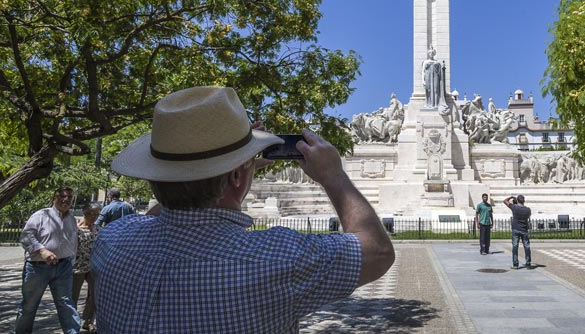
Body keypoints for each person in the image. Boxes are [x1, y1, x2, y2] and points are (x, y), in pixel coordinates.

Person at [91, 86, 395, 333]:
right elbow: (377, 251)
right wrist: (333, 176)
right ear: (236, 177)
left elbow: (170, 206)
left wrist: (234, 165)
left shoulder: (113, 240)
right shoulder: (276, 259)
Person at [15, 187, 81, 334]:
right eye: (62, 196)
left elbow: (73, 242)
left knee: (66, 304)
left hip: (64, 267)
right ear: (54, 198)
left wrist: (71, 261)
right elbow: (26, 237)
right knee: (29, 306)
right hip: (38, 267)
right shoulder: (41, 215)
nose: (66, 199)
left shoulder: (71, 218)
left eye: (69, 197)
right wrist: (42, 250)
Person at [73, 203, 101, 333]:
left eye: (97, 214)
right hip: (77, 267)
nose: (95, 217)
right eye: (92, 214)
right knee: (73, 295)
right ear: (85, 214)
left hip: (93, 267)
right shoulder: (75, 229)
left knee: (94, 295)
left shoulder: (97, 229)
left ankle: (88, 321)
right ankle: (71, 322)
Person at [503, 194, 533, 269]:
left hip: (516, 229)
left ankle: (515, 264)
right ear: (524, 201)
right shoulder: (528, 209)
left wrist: (511, 197)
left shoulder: (514, 207)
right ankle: (528, 263)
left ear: (517, 200)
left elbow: (505, 201)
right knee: (527, 247)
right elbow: (528, 216)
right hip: (524, 229)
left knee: (515, 247)